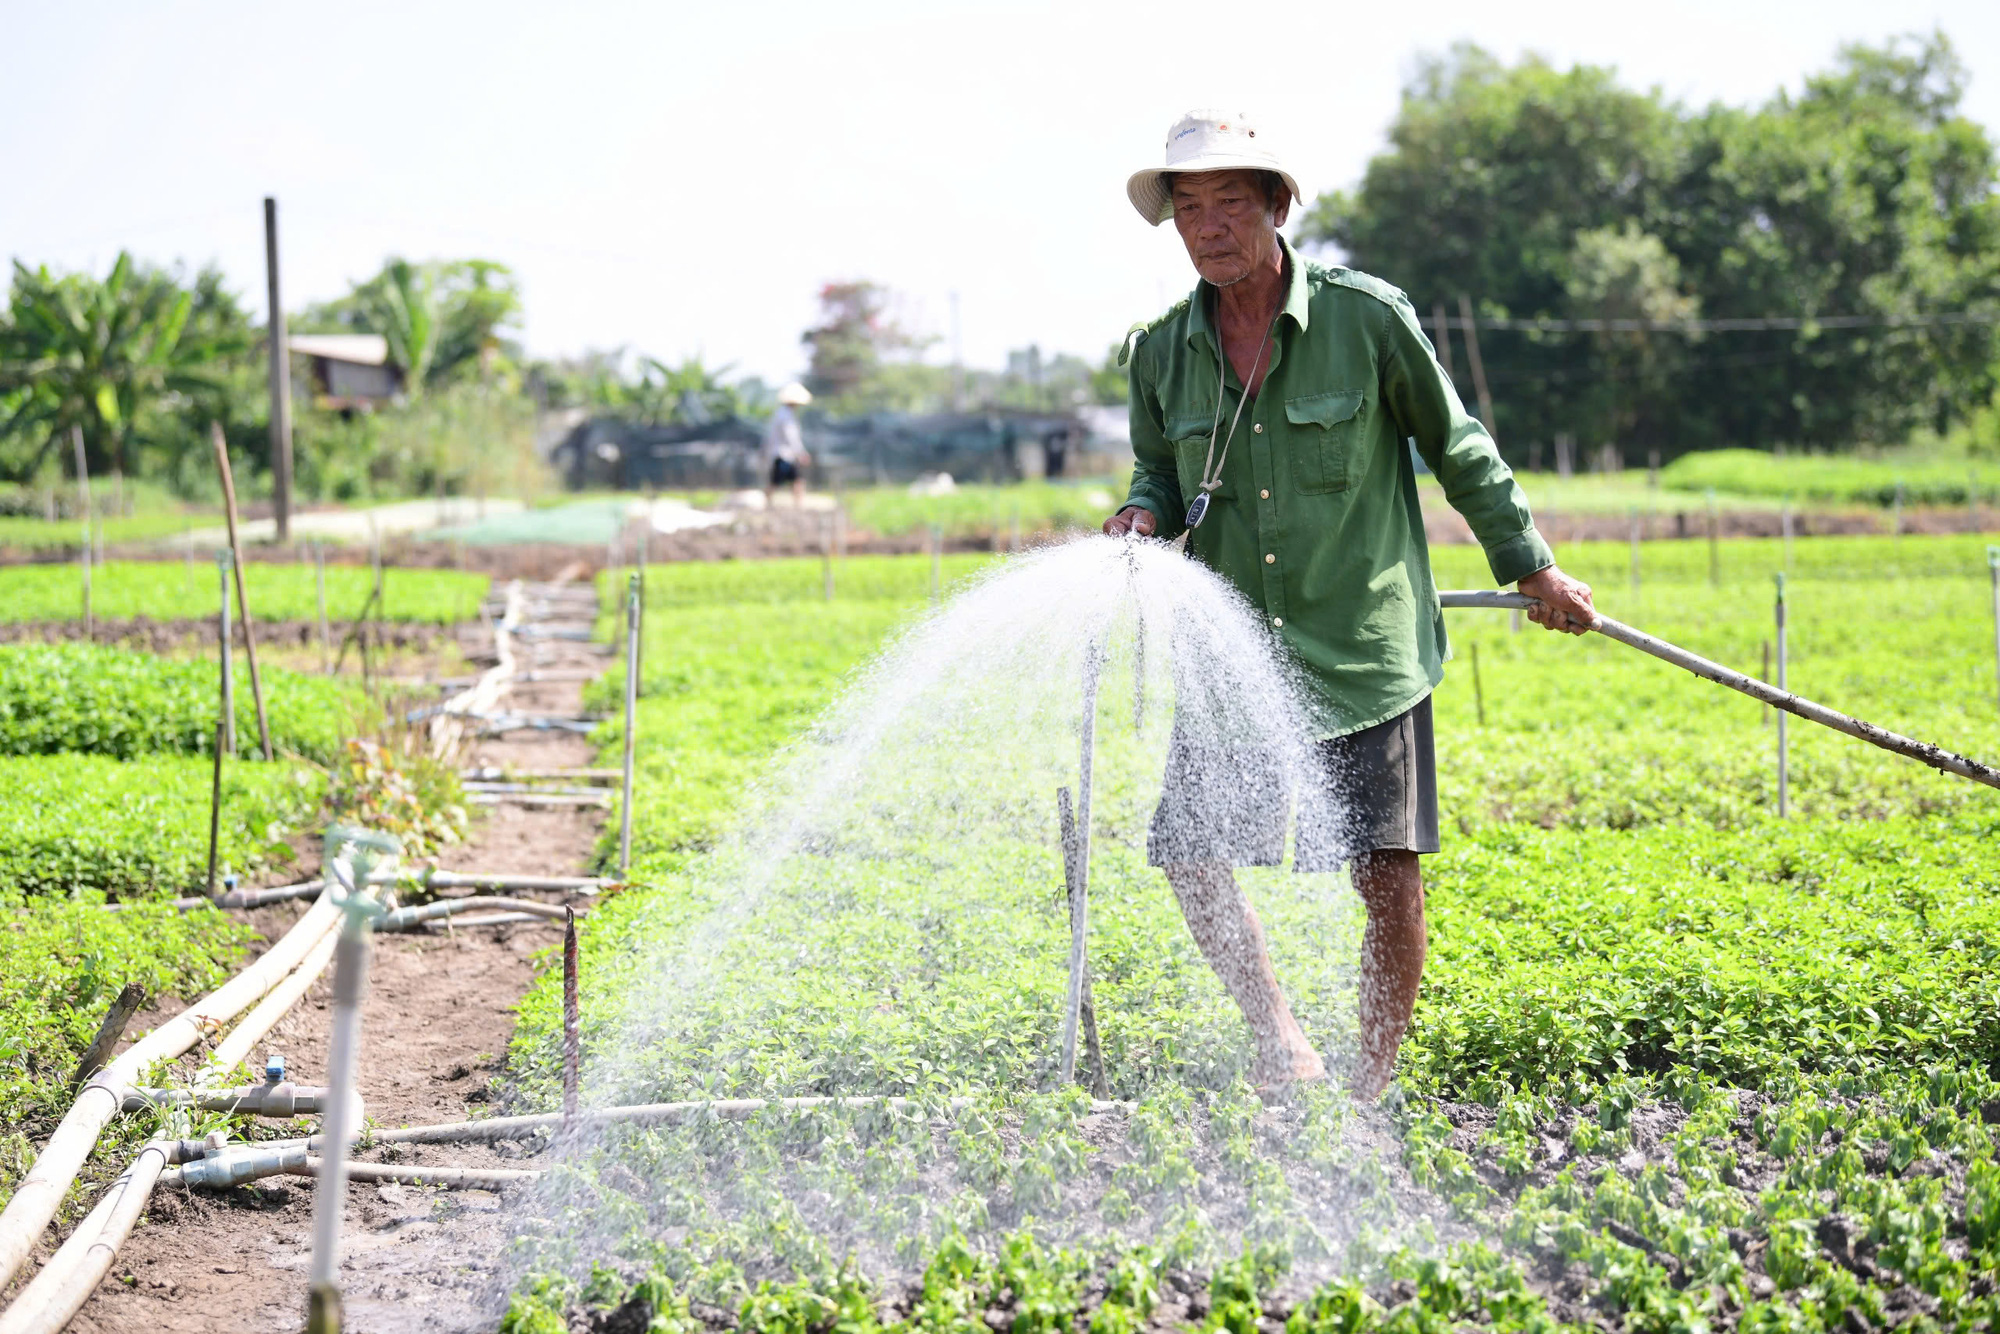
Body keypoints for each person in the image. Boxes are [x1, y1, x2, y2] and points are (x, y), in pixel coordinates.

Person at [1103, 110, 1598, 1101]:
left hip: (1361, 646)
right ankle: (1280, 1038)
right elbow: (1157, 470)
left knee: (1385, 872)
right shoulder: (1160, 353)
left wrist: (1528, 565)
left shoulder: (1365, 320)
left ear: (1276, 206)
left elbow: (1457, 446)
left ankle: (1367, 1084)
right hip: (1230, 646)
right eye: (1187, 207)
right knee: (1191, 853)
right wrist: (1137, 514)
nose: (1206, 226)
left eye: (1227, 204)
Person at [763, 382, 814, 507]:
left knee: (797, 480)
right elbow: (791, 437)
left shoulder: (782, 413)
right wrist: (801, 453)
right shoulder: (785, 416)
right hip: (783, 455)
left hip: (784, 454)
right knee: (776, 482)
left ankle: (797, 505)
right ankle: (768, 503)